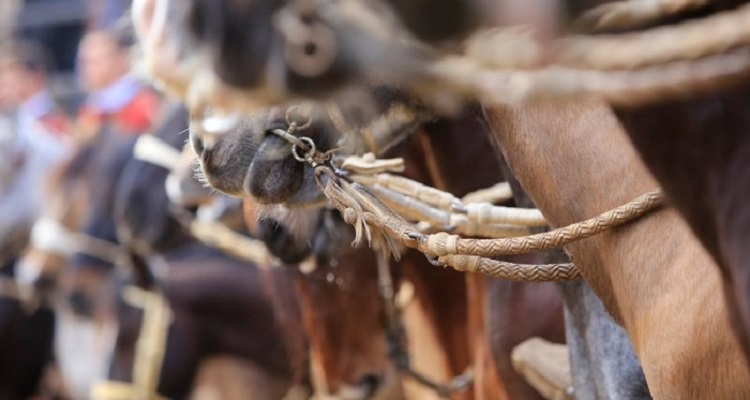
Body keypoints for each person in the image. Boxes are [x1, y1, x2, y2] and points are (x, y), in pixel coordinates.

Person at [76, 28, 162, 140]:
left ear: (119, 60)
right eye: (86, 62)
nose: (89, 69)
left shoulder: (143, 103)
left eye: (98, 61)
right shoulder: (90, 110)